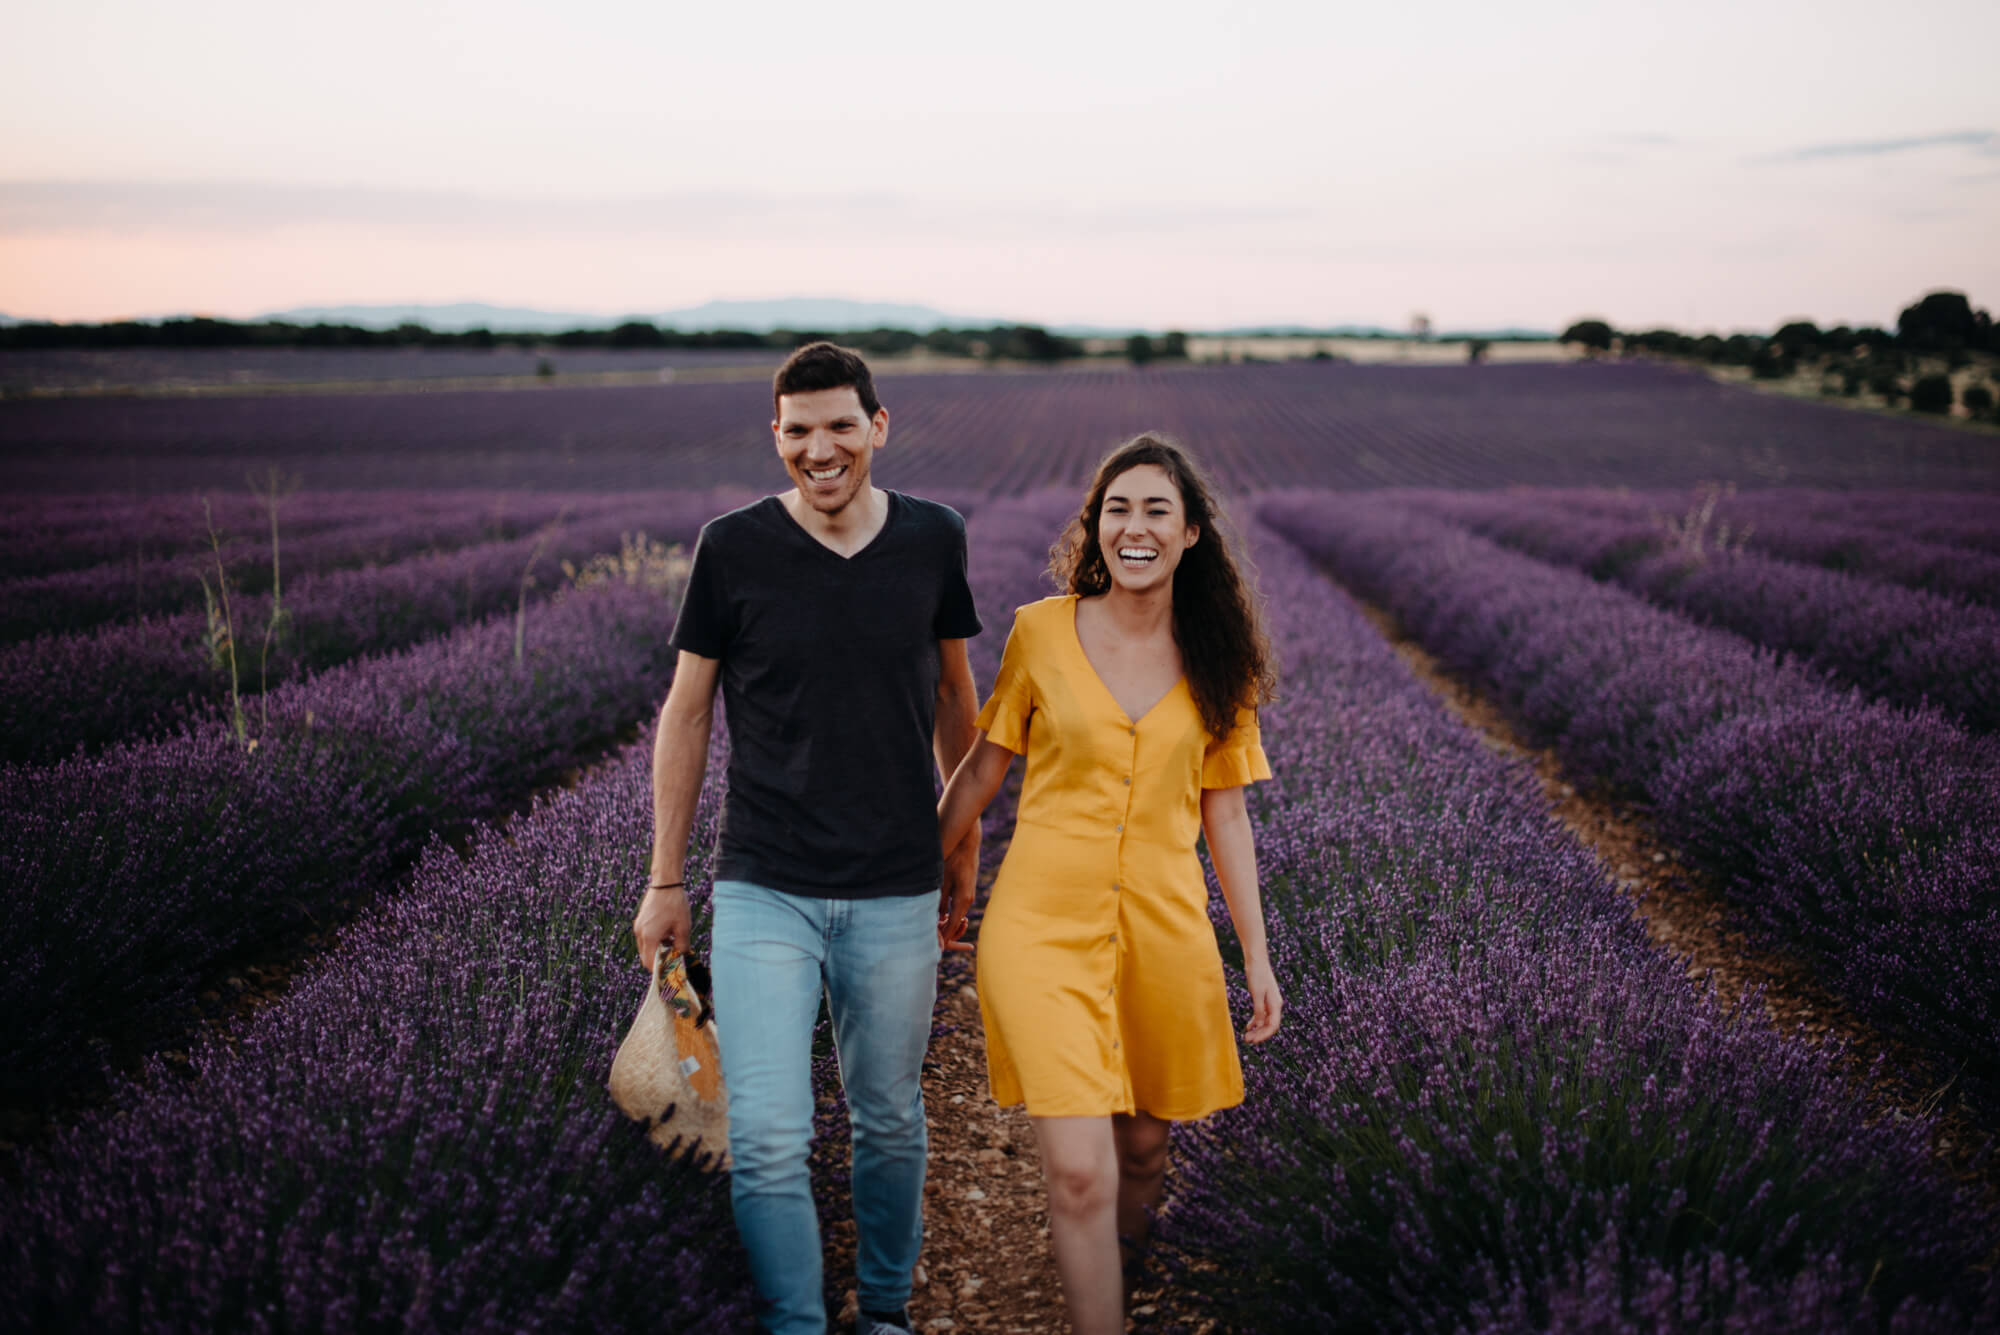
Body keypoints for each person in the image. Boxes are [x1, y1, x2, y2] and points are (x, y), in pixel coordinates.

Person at [632, 342, 985, 1335]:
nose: (819, 449)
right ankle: (797, 1326)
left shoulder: (932, 539)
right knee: (772, 1135)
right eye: (798, 431)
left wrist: (959, 846)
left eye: (840, 426)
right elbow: (687, 712)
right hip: (764, 883)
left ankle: (882, 1313)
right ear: (774, 438)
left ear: (878, 427)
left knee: (887, 1120)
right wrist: (666, 881)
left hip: (894, 883)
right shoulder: (731, 547)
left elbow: (954, 696)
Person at [935, 434, 1282, 1335]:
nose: (1134, 528)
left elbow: (1228, 814)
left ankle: (1122, 1266)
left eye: (1155, 510)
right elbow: (980, 768)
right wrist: (922, 865)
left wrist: (1257, 955)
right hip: (1040, 924)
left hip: (1165, 927)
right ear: (1095, 527)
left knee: (1143, 1150)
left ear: (1192, 533)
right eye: (1116, 509)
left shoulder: (1219, 658)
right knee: (1080, 1168)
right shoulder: (1041, 631)